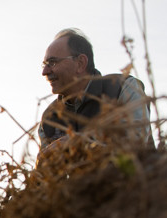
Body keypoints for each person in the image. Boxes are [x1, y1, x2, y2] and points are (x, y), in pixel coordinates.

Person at [38, 28, 153, 157]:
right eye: (45, 65)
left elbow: (135, 143)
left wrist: (78, 144)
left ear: (80, 63)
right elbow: (46, 173)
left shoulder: (123, 88)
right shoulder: (49, 118)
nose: (45, 72)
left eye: (52, 63)